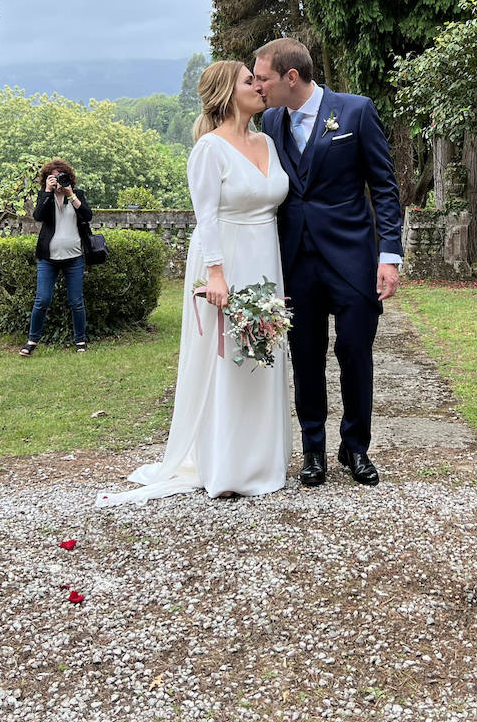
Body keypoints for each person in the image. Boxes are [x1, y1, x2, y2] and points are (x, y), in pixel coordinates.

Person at [97, 61, 291, 505]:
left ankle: (264, 462)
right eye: (250, 81)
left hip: (266, 258)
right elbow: (205, 217)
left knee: (265, 351)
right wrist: (218, 275)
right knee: (228, 358)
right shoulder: (209, 149)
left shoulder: (266, 141)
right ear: (227, 93)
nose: (260, 86)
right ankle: (226, 465)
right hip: (225, 258)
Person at [252, 37, 403, 488]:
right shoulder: (270, 121)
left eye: (263, 78)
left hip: (353, 258)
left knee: (355, 352)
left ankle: (355, 447)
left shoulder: (355, 112)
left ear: (290, 77)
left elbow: (384, 187)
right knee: (305, 356)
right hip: (295, 260)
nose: (257, 86)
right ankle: (313, 448)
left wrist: (389, 256)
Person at [20, 158, 93, 356]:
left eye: (62, 176)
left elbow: (87, 215)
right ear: (47, 179)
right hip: (48, 258)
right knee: (42, 300)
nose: (58, 181)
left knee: (76, 301)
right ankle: (31, 341)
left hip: (74, 256)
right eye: (53, 177)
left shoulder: (76, 195)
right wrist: (47, 191)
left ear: (69, 178)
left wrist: (70, 195)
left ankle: (80, 341)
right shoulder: (45, 196)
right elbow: (38, 216)